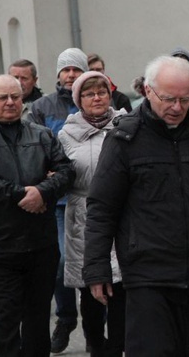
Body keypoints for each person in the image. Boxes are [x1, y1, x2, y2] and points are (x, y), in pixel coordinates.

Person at [83, 56, 189, 356]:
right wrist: (96, 268)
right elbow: (102, 207)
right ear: (148, 91)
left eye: (185, 99)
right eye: (168, 99)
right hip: (147, 275)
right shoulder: (125, 138)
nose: (177, 108)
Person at [0, 74, 75, 356]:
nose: (10, 102)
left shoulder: (42, 135)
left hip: (41, 245)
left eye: (16, 97)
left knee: (37, 319)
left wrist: (43, 193)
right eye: (3, 97)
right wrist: (21, 194)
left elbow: (67, 171)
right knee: (5, 319)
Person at [59, 72, 127, 357]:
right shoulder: (66, 134)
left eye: (102, 92)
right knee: (91, 289)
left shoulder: (126, 125)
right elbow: (60, 172)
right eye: (89, 94)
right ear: (79, 100)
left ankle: (118, 347)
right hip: (84, 217)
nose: (97, 97)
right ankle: (96, 346)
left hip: (123, 214)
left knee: (122, 289)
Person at [30, 47, 88, 353]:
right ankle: (66, 318)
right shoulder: (42, 106)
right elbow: (35, 147)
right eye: (65, 70)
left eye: (75, 69)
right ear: (58, 74)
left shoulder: (94, 100)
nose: (70, 75)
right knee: (62, 262)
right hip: (59, 201)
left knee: (94, 262)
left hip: (91, 197)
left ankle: (95, 325)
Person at [0, 59, 44, 123]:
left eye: (24, 78)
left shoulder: (45, 104)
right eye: (15, 78)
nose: (19, 82)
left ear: (35, 80)